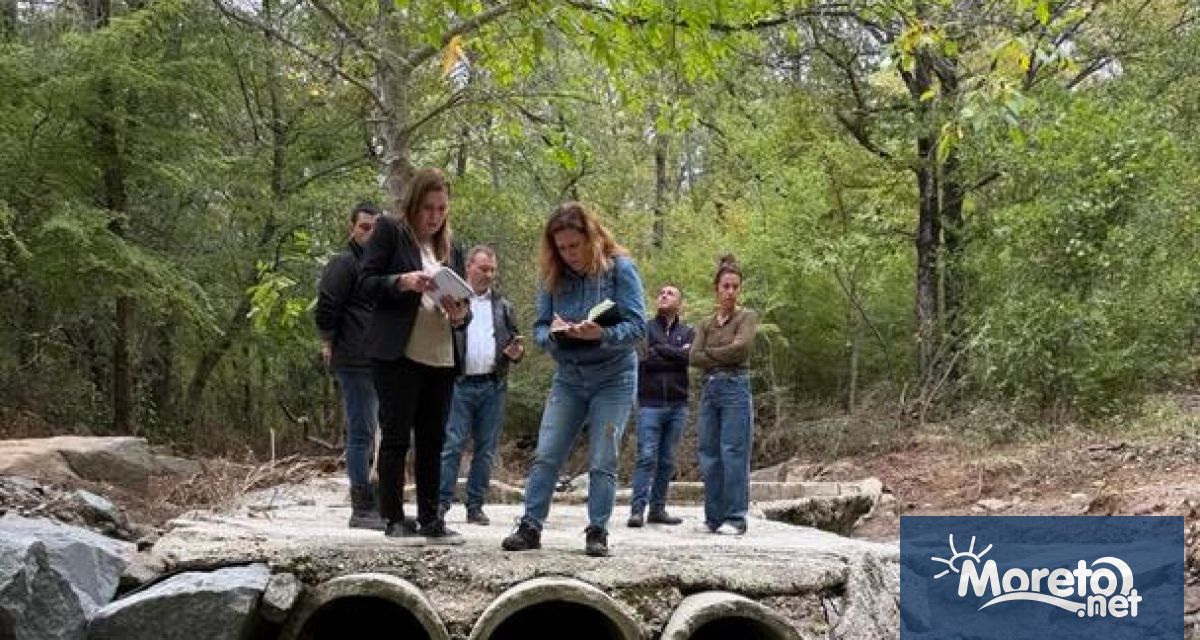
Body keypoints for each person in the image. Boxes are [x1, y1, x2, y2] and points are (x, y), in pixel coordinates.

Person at [501, 202, 647, 557]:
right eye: (562, 248)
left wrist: (600, 334)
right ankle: (530, 526)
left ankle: (597, 530)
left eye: (575, 246)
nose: (569, 255)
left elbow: (638, 327)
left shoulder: (619, 269)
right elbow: (538, 325)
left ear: (591, 238)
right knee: (547, 453)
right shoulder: (552, 276)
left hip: (613, 376)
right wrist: (552, 335)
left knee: (602, 456)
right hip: (569, 377)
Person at [361, 168, 470, 543]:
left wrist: (460, 314)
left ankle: (431, 518)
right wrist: (402, 281)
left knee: (433, 440)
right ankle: (393, 518)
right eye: (428, 208)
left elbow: (464, 306)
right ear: (412, 205)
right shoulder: (391, 232)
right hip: (399, 352)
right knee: (395, 437)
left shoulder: (452, 248)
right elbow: (365, 283)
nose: (435, 216)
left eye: (441, 209)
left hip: (440, 354)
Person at [438, 245, 524, 526]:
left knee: (486, 449)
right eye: (483, 268)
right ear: (469, 269)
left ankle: (475, 506)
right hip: (458, 383)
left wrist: (516, 353)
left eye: (492, 270)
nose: (488, 274)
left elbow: (515, 342)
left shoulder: (504, 306)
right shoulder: (453, 301)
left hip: (493, 384)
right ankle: (441, 503)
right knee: (452, 445)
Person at [315, 201, 383, 530]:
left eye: (375, 228)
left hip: (382, 360)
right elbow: (327, 305)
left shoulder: (380, 267)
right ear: (352, 228)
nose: (369, 234)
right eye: (364, 227)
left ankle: (382, 501)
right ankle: (361, 506)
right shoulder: (344, 264)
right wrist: (328, 340)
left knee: (385, 432)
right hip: (354, 358)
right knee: (361, 433)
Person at [689, 255, 759, 535]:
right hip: (710, 389)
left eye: (735, 287)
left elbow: (741, 349)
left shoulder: (747, 317)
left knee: (733, 451)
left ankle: (735, 517)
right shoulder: (706, 324)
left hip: (735, 387)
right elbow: (693, 357)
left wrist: (710, 355)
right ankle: (713, 516)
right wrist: (718, 356)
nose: (730, 291)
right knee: (708, 452)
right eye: (725, 286)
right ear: (716, 289)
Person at [627, 284, 694, 528]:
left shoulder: (689, 332)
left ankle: (658, 509)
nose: (664, 295)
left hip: (678, 404)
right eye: (661, 293)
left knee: (667, 460)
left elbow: (689, 358)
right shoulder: (645, 328)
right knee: (646, 457)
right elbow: (645, 358)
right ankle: (637, 510)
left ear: (680, 302)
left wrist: (662, 351)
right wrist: (675, 354)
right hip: (650, 403)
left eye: (671, 293)